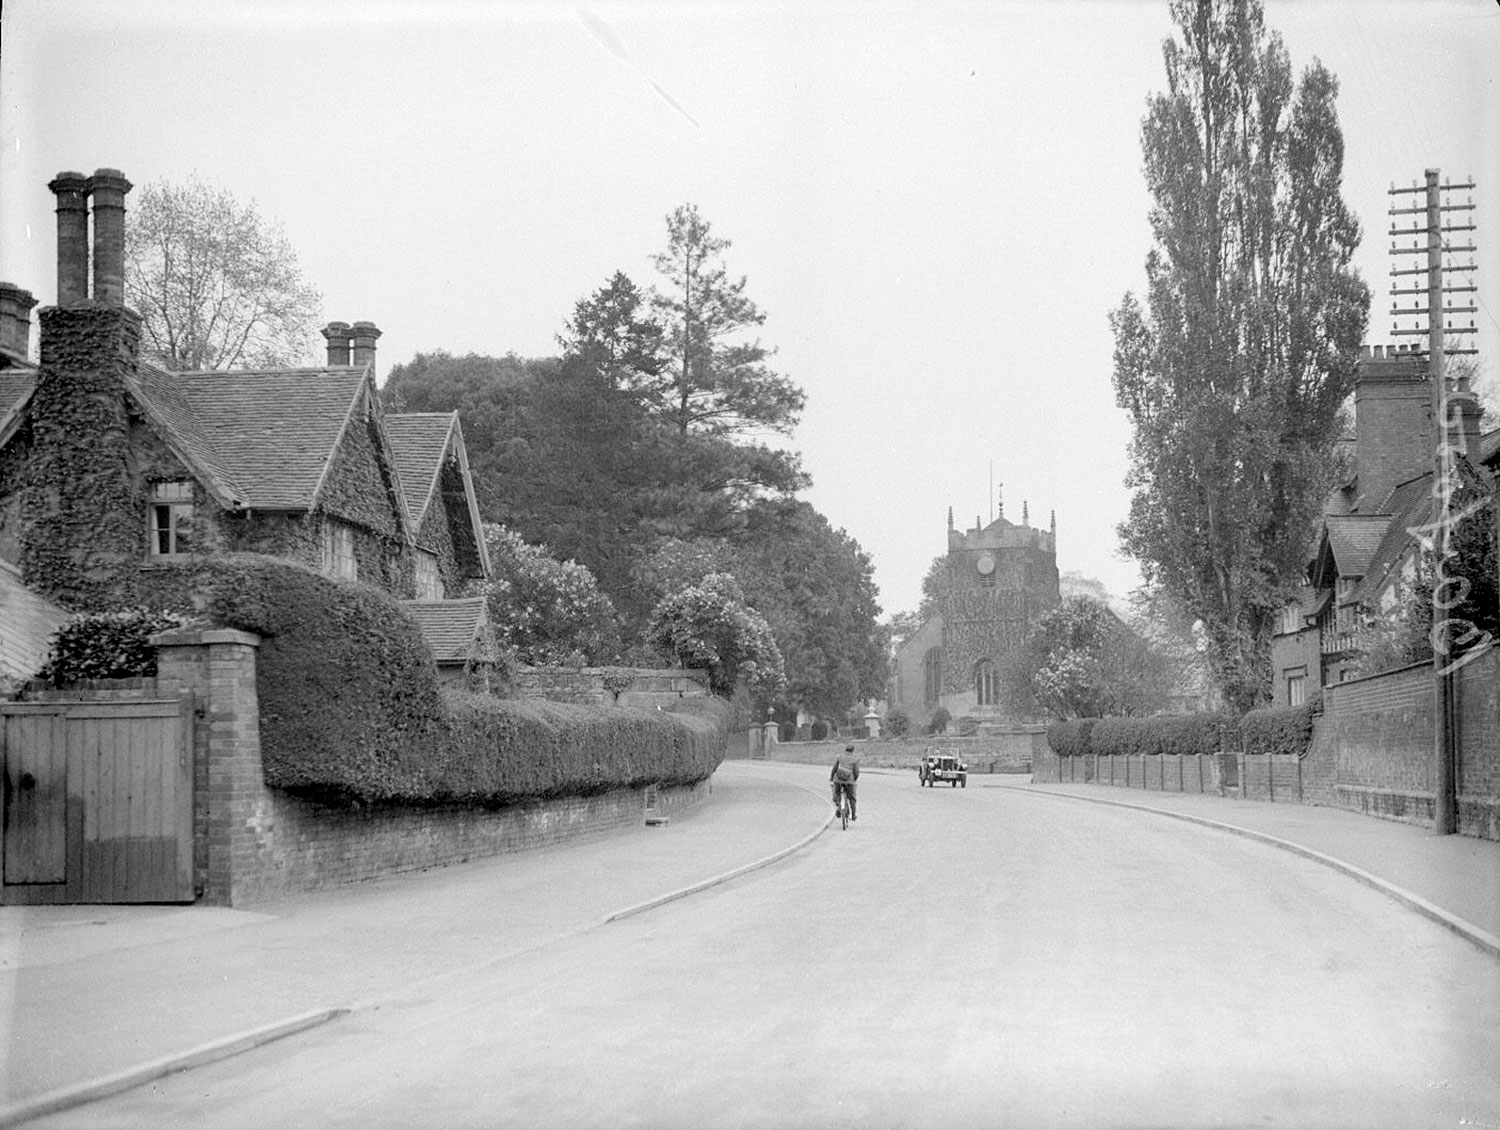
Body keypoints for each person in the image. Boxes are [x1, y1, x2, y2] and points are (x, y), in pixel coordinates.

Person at [830, 745, 859, 821]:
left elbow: (834, 768)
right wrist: (854, 780)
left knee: (836, 793)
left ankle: (838, 806)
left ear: (845, 750)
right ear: (853, 750)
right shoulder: (855, 759)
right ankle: (853, 815)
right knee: (852, 798)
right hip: (849, 781)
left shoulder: (840, 756)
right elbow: (856, 772)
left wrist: (832, 777)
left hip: (838, 779)